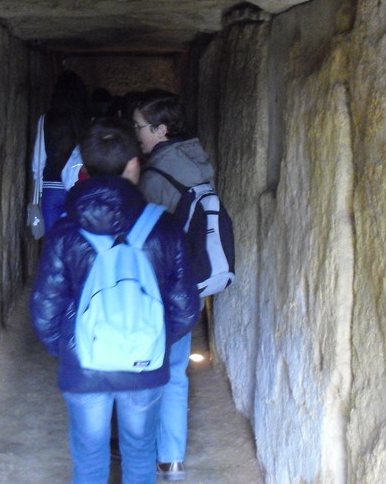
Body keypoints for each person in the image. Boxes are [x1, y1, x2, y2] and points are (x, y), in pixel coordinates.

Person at [30, 117, 200, 484]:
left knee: (90, 458)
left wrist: (70, 347)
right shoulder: (164, 227)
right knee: (139, 452)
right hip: (144, 364)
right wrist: (152, 338)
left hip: (84, 366)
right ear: (134, 164)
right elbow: (185, 306)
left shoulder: (64, 231)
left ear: (86, 168)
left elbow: (46, 307)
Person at [132, 92, 215, 482]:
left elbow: (146, 236)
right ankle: (172, 458)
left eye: (140, 127)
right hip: (189, 281)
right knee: (177, 373)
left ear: (161, 129)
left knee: (150, 369)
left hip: (160, 286)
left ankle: (145, 451)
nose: (136, 134)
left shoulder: (155, 176)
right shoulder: (197, 162)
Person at [30, 70, 91, 233]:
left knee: (53, 241)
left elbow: (38, 160)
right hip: (78, 186)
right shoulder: (87, 120)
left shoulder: (46, 120)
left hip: (51, 187)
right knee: (79, 239)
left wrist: (40, 185)